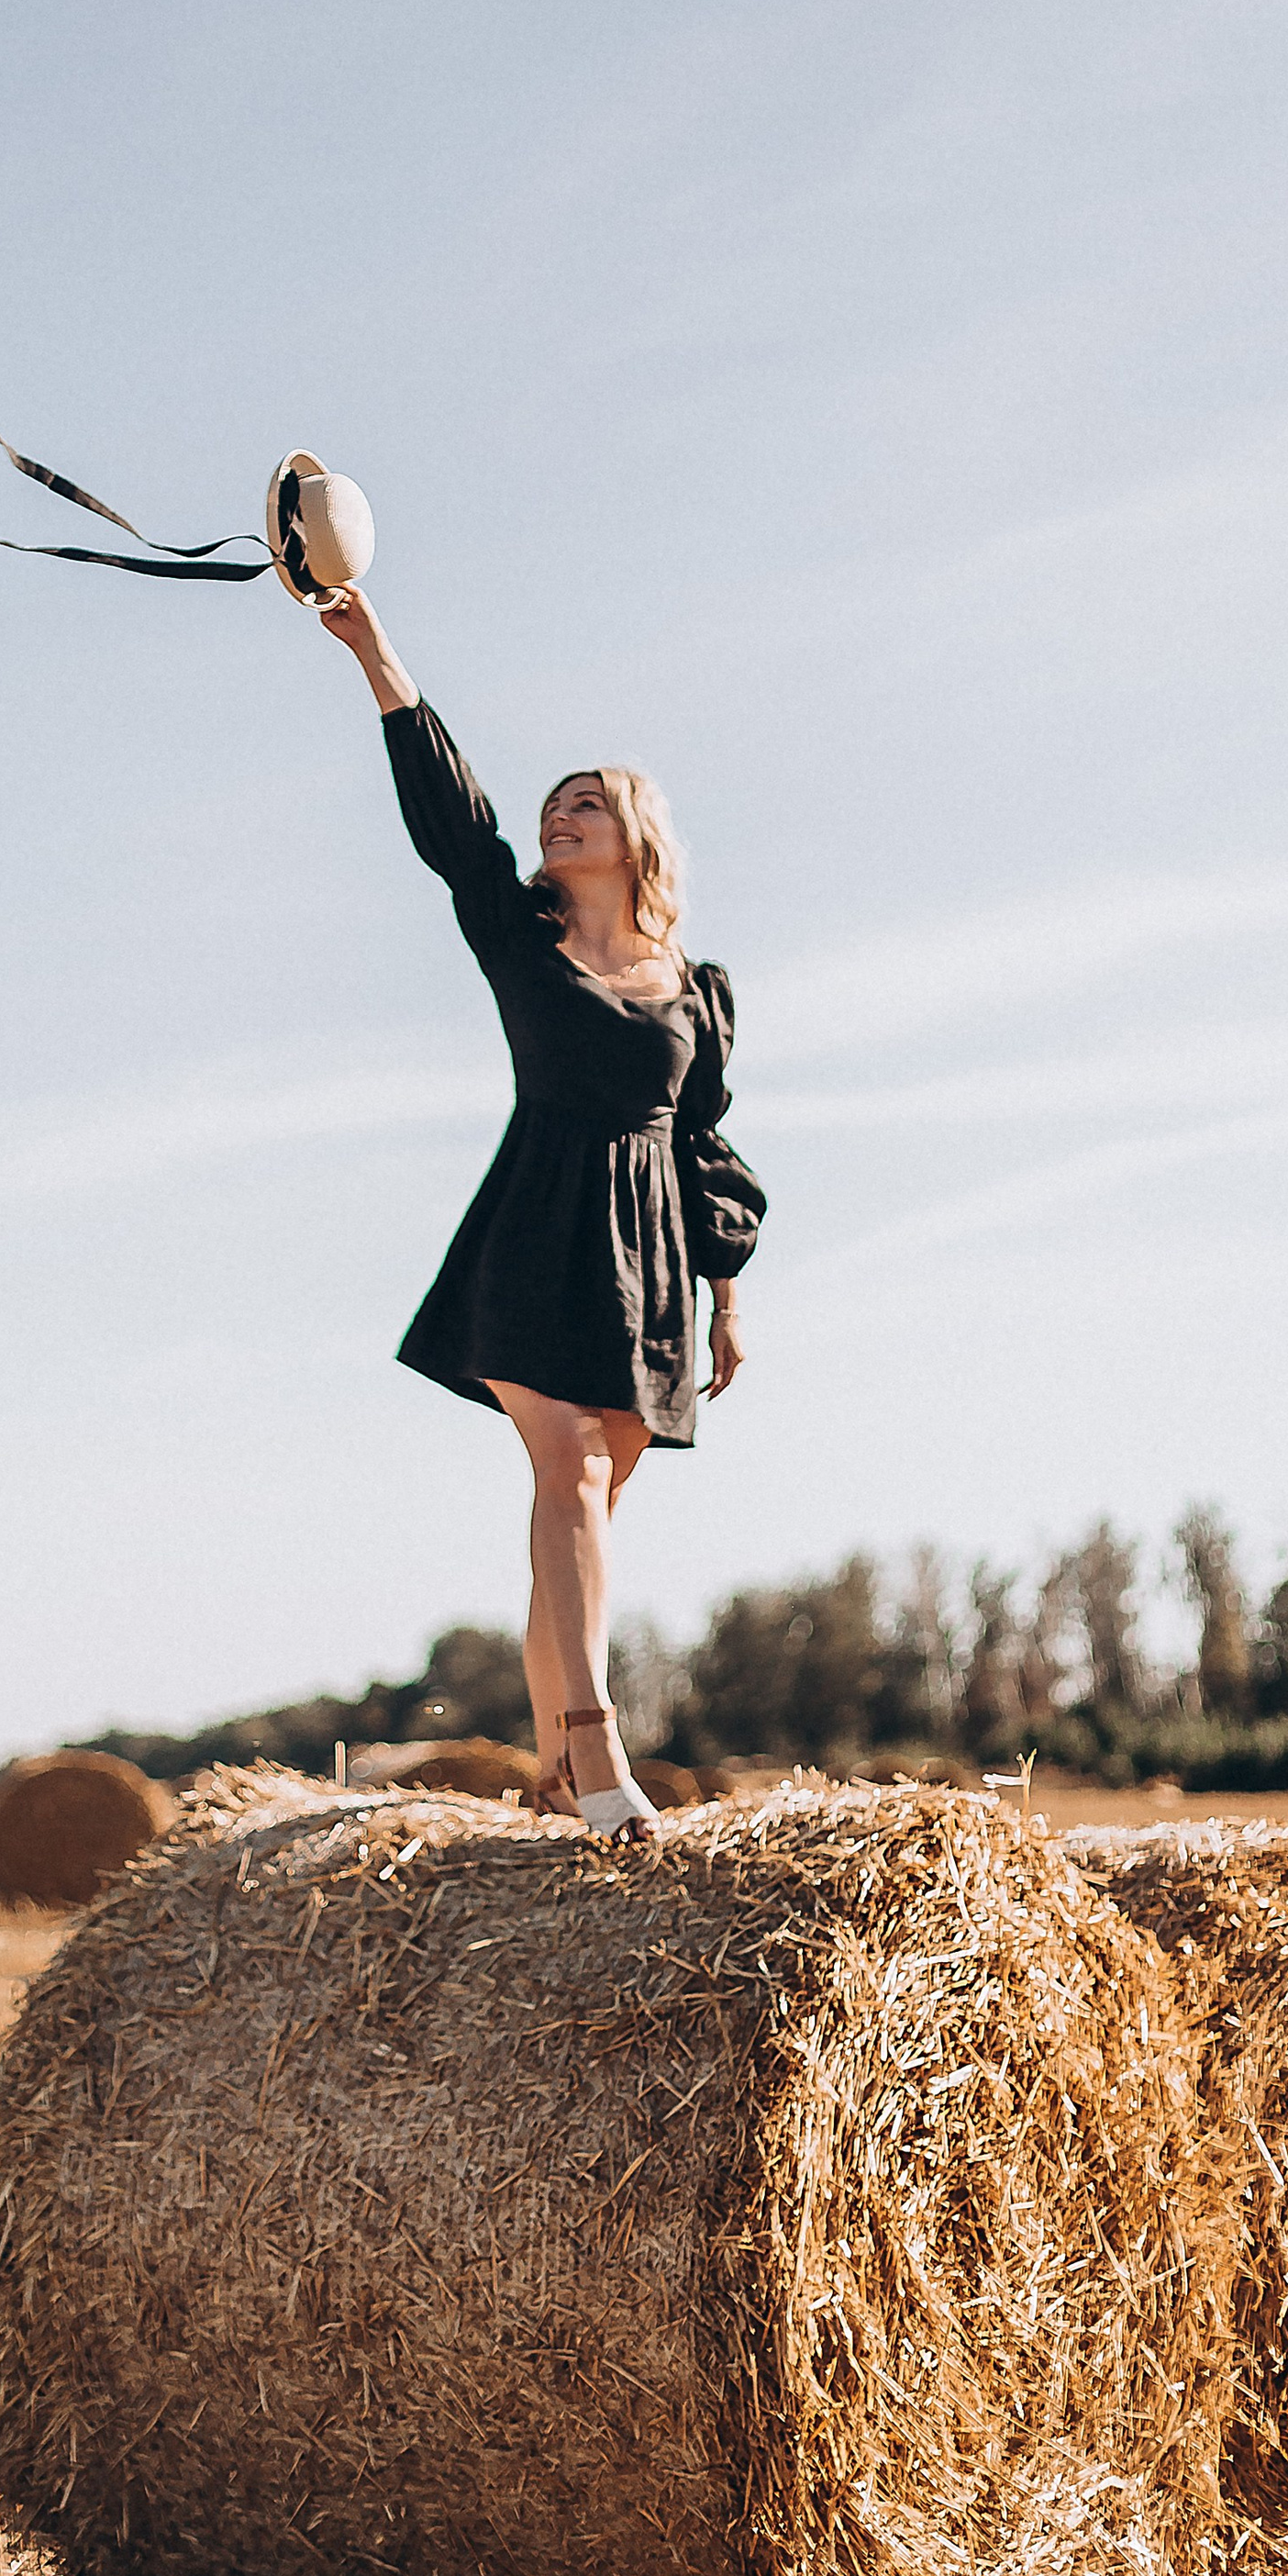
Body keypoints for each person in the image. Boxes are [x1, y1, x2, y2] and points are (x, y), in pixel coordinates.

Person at [320, 587, 765, 1842]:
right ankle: (598, 1747)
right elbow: (454, 822)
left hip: (651, 1259)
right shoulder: (519, 935)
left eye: (584, 803)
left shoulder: (698, 990)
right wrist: (376, 654)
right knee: (567, 1469)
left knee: (583, 1523)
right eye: (550, 807)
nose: (555, 817)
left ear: (636, 837)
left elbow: (702, 1141)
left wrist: (728, 1299)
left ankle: (560, 1774)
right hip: (536, 1226)